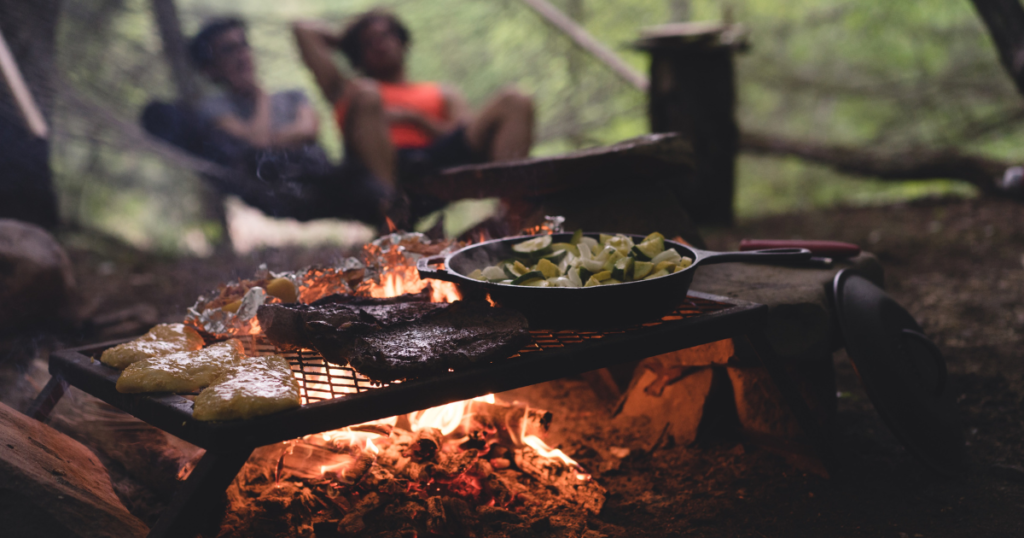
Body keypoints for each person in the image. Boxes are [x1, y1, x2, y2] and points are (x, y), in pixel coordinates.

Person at [292, 10, 534, 217]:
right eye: (368, 42)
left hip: (437, 157)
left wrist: (414, 119)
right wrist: (348, 40)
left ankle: (510, 212)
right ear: (358, 54)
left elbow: (464, 133)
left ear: (402, 41)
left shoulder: (441, 92)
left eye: (385, 35)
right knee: (368, 94)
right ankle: (392, 212)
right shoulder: (347, 90)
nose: (379, 44)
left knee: (516, 100)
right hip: (380, 171)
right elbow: (302, 30)